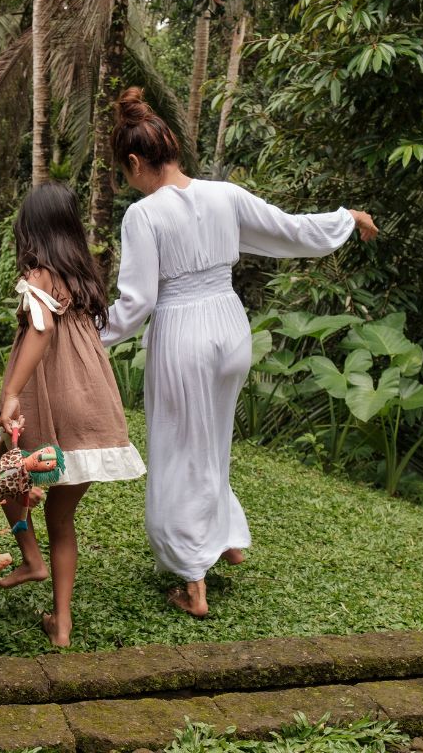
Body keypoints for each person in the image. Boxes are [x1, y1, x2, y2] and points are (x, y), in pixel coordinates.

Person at [100, 86, 379, 618]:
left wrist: (86, 337)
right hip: (230, 327)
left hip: (183, 332)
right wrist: (347, 218)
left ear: (135, 162)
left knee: (180, 448)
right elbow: (291, 230)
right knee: (214, 438)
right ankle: (226, 535)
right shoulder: (224, 194)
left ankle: (191, 579)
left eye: (125, 171)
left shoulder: (144, 216)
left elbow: (136, 304)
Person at [0, 182, 147, 647]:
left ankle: (30, 558)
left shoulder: (39, 275)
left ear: (31, 230)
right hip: (92, 405)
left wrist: (12, 393)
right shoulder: (82, 278)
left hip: (52, 402)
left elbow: (39, 331)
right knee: (62, 518)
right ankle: (61, 625)